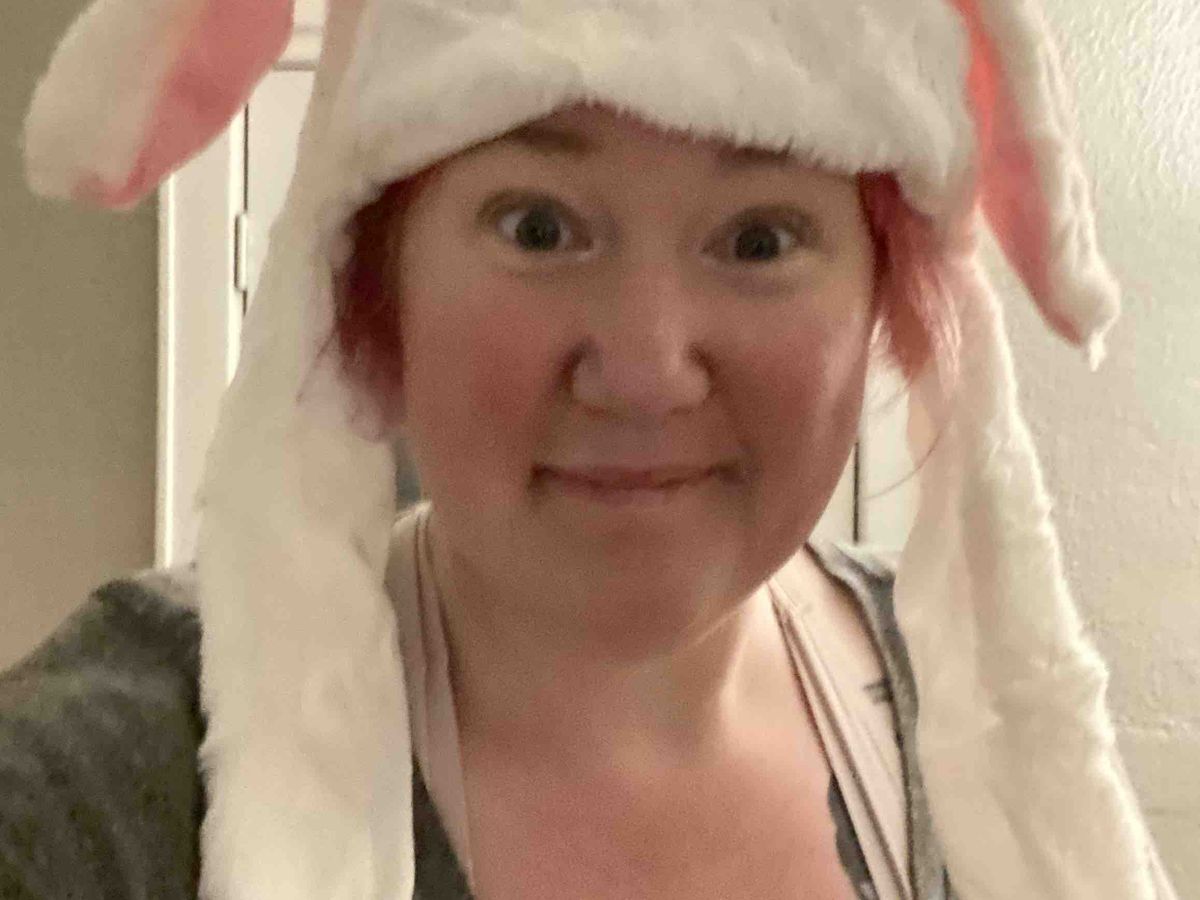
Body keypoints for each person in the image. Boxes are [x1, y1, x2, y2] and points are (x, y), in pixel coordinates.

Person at [2, 0, 1180, 898]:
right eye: (539, 226)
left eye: (761, 239)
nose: (647, 369)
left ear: (885, 296)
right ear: (376, 283)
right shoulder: (106, 786)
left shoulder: (975, 734)